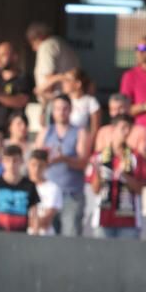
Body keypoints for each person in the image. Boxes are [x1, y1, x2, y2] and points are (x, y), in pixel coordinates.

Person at [87, 115, 146, 239]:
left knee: (128, 258)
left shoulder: (135, 156)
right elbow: (95, 190)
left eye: (129, 128)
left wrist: (124, 176)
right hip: (103, 219)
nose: (127, 132)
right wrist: (98, 173)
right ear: (113, 129)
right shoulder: (99, 156)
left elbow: (140, 189)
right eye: (123, 128)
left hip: (129, 221)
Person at [37, 95, 89, 236]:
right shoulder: (46, 132)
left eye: (65, 108)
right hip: (48, 195)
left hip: (71, 195)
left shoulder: (80, 132)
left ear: (70, 110)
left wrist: (64, 159)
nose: (61, 112)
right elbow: (35, 162)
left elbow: (83, 162)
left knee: (70, 239)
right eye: (58, 109)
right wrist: (47, 160)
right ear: (53, 111)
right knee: (46, 237)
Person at [26, 22, 79, 103]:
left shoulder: (46, 46)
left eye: (33, 43)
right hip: (70, 98)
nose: (33, 49)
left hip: (56, 102)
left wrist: (41, 94)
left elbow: (49, 80)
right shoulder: (61, 43)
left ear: (39, 37)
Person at [94, 94, 146, 160]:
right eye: (113, 109)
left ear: (129, 108)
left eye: (121, 108)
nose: (117, 112)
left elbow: (143, 160)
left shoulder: (142, 131)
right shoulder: (103, 132)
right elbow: (98, 159)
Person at [26, 149, 61, 236]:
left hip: (45, 238)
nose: (36, 169)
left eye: (40, 166)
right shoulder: (20, 186)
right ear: (28, 164)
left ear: (46, 166)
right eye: (33, 165)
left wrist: (19, 221)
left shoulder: (53, 188)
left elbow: (46, 221)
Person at [62, 68, 100, 141]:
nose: (63, 83)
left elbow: (95, 128)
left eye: (67, 80)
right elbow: (40, 91)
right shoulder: (62, 100)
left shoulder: (91, 101)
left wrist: (89, 144)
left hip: (81, 141)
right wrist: (57, 77)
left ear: (78, 84)